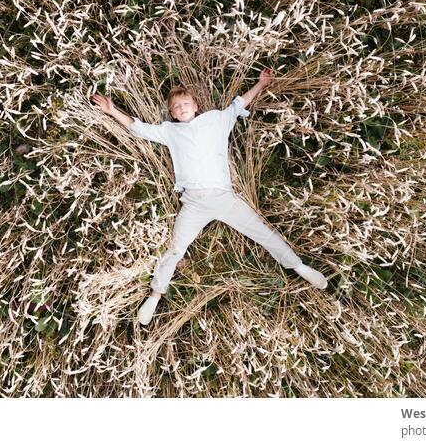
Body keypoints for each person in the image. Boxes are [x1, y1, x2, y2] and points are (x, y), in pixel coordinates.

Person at [91, 67, 327, 325]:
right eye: (176, 107)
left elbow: (239, 104)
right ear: (171, 113)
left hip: (224, 198)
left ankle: (298, 266)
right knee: (175, 249)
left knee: (262, 233)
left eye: (185, 103)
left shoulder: (216, 120)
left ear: (196, 105)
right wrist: (112, 110)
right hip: (193, 203)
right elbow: (138, 128)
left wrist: (261, 84)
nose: (181, 108)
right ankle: (156, 295)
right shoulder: (170, 131)